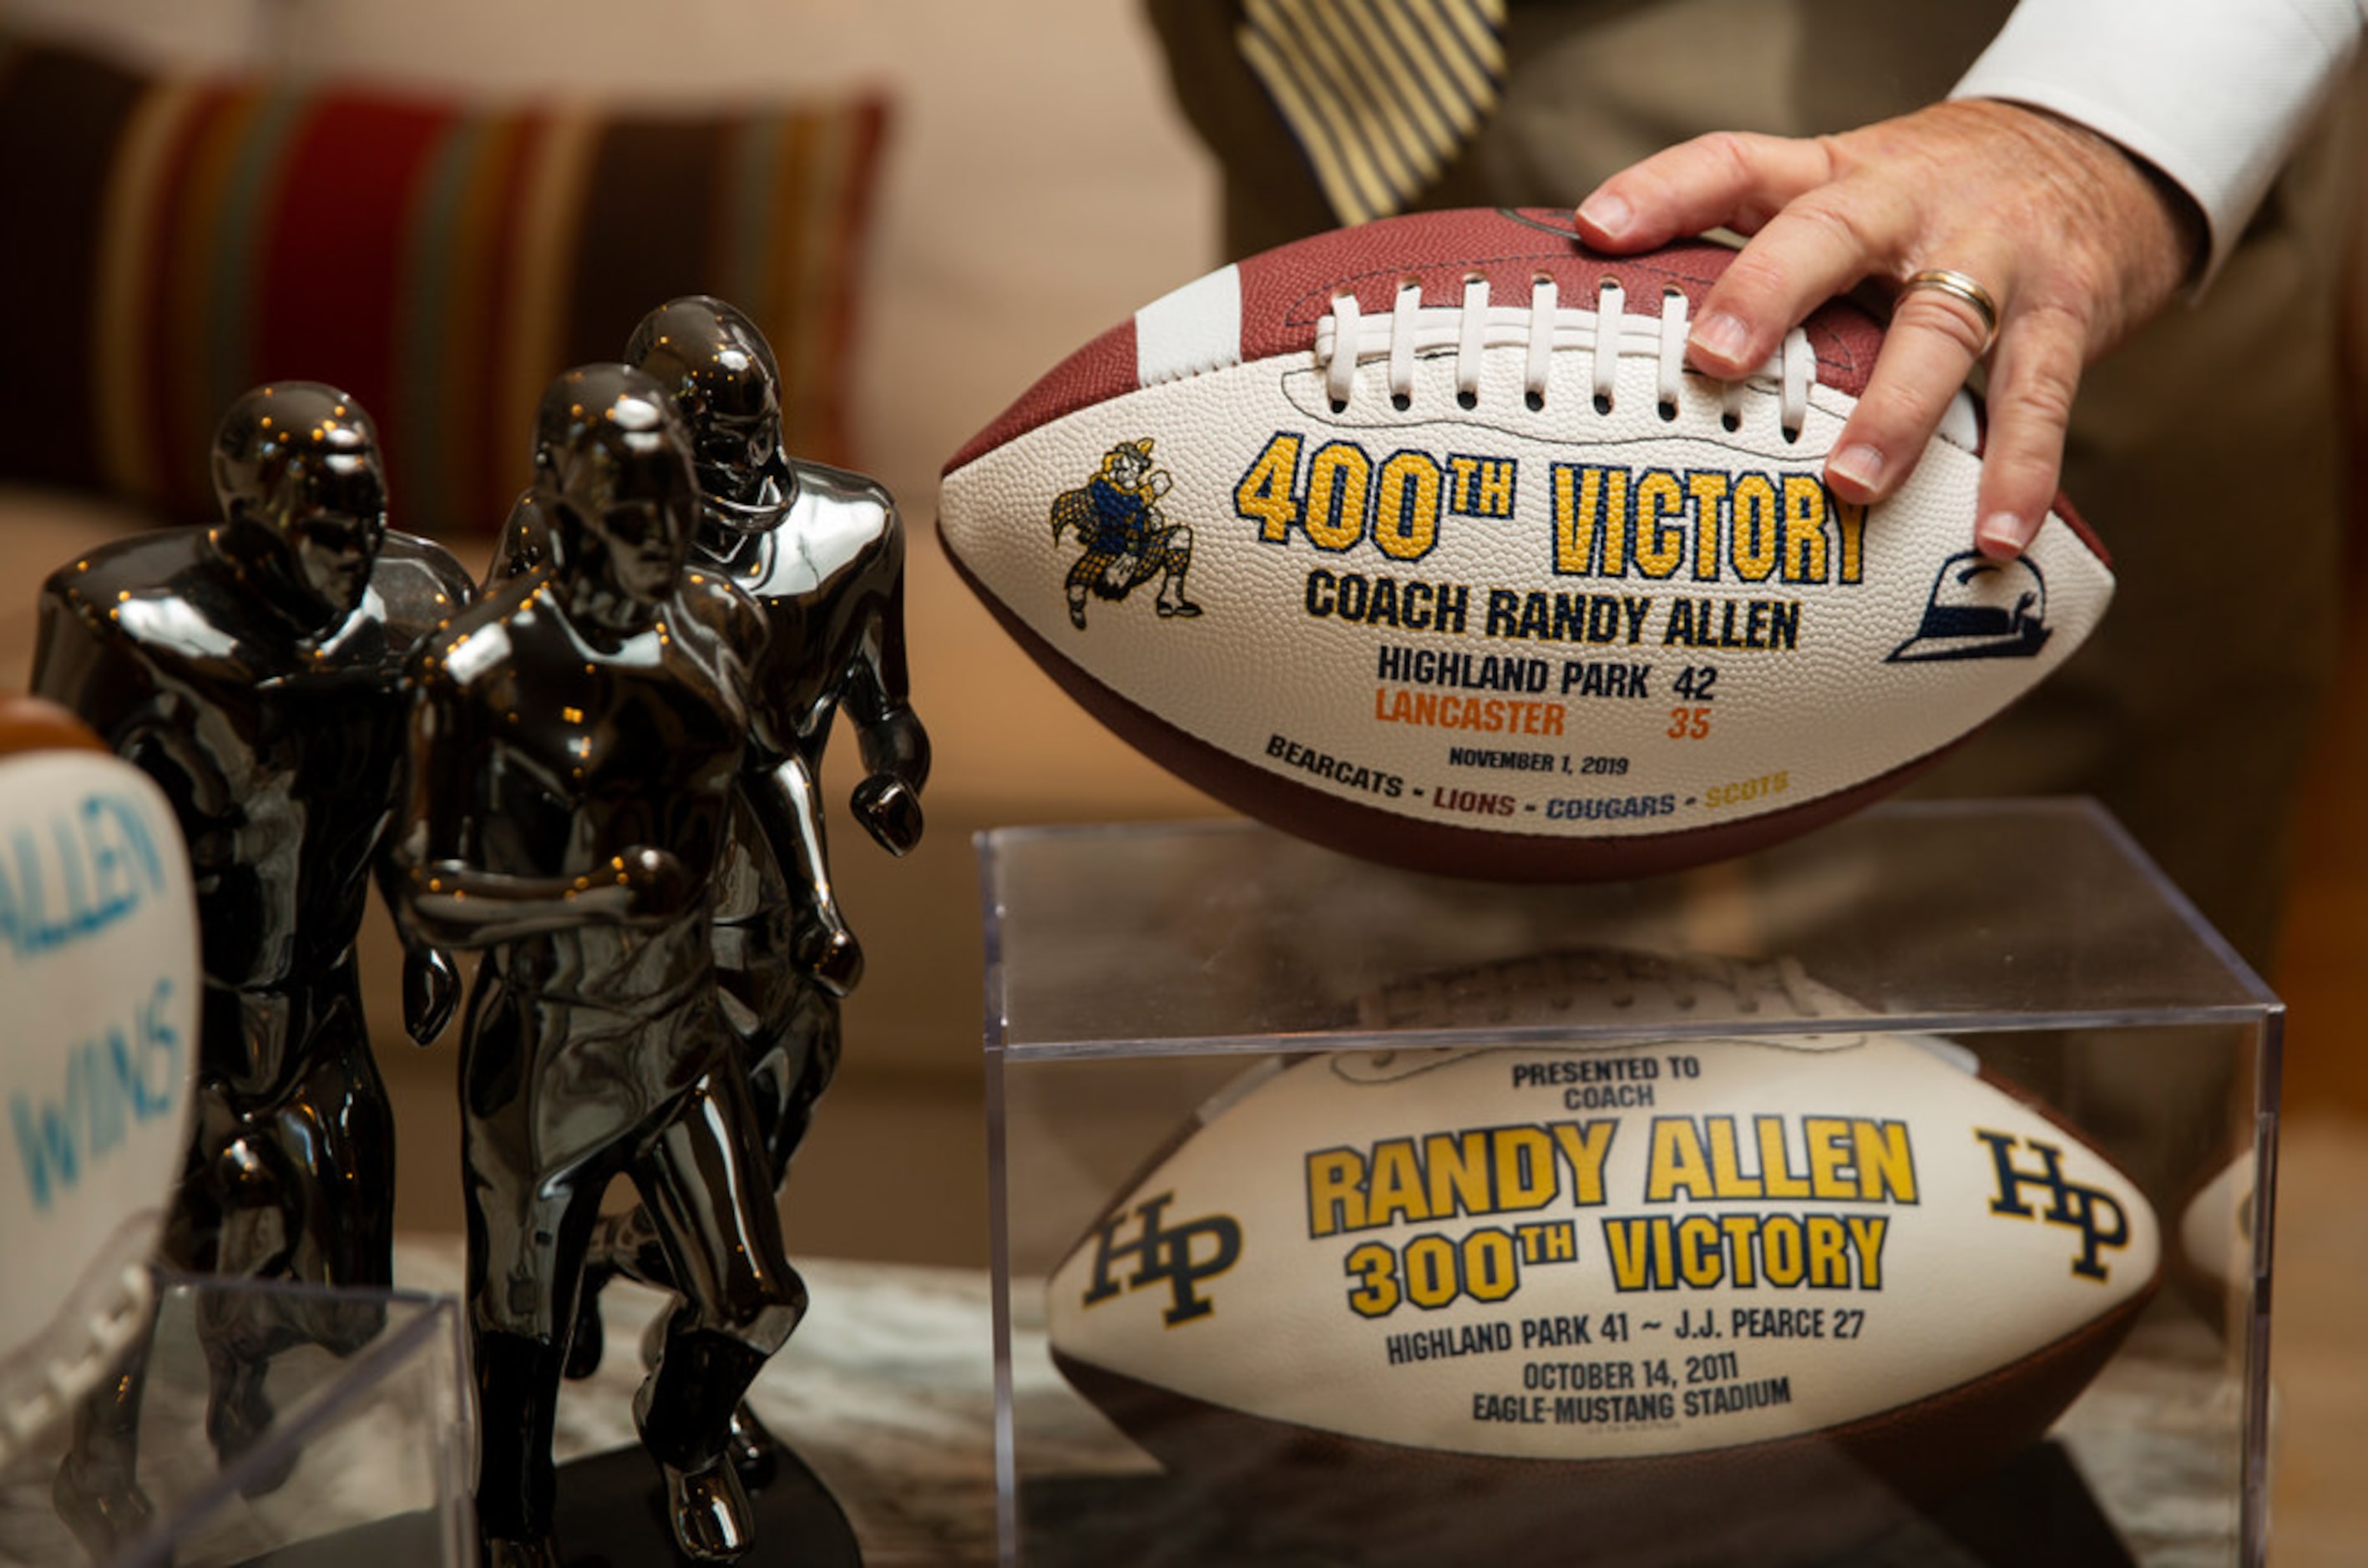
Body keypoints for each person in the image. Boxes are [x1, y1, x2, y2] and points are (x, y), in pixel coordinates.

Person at [1146, 0, 2361, 971]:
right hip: (1315, 116)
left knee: (1977, 1147)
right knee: (1408, 1139)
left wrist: (2088, 134)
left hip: (1930, 158)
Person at [486, 297, 931, 1474]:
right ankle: (681, 1422)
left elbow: (860, 718)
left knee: (743, 1219)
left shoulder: (850, 531)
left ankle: (671, 1352)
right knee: (726, 1234)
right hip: (632, 942)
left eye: (749, 452)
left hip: (774, 936)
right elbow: (508, 727)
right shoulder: (569, 538)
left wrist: (890, 780)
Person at [31, 383, 470, 1554]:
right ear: (245, 517)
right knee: (153, 1227)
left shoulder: (416, 609)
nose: (353, 547)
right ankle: (99, 1454)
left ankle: (245, 1372)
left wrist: (421, 931)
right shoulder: (128, 624)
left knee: (344, 1238)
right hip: (177, 988)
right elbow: (57, 806)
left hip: (319, 988)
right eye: (325, 522)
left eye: (367, 516)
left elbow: (418, 789)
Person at [397, 363, 807, 1565]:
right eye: (634, 523)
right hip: (545, 1041)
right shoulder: (477, 671)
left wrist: (806, 906)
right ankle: (513, 1520)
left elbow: (774, 765)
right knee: (519, 1335)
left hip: (678, 1025)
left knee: (757, 1295)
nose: (665, 545)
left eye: (677, 515)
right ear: (561, 513)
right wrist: (584, 896)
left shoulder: (722, 620)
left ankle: (682, 1433)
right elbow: (429, 892)